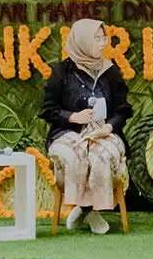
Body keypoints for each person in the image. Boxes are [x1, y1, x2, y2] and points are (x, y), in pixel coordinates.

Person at [40, 19, 132, 234]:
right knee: (74, 154)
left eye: (104, 39)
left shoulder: (110, 71)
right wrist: (74, 117)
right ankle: (91, 212)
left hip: (104, 130)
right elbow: (47, 109)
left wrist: (108, 128)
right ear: (81, 42)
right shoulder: (61, 72)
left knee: (101, 154)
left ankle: (86, 208)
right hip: (69, 131)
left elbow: (124, 109)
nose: (102, 44)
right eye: (96, 39)